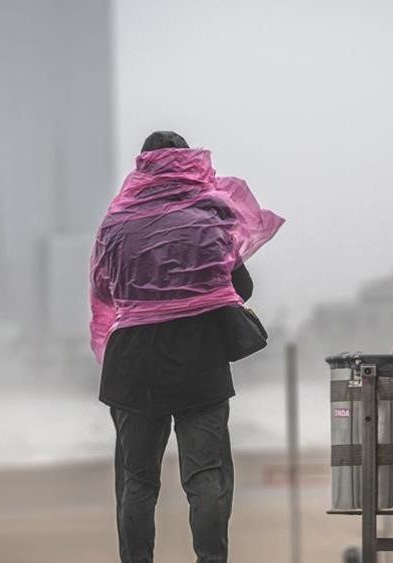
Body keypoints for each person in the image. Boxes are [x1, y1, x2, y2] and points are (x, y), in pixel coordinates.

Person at [90, 131, 284, 563]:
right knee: (206, 476)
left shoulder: (116, 222)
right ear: (188, 162)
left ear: (144, 164)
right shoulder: (209, 215)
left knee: (138, 482)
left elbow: (105, 289)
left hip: (132, 361)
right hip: (198, 356)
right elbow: (240, 288)